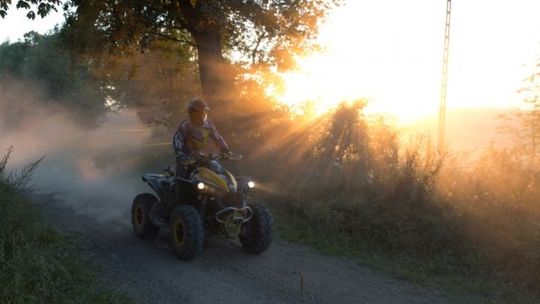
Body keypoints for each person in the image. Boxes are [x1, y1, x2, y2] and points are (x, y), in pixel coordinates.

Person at [172, 98, 230, 177]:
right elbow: (177, 140)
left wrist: (225, 150)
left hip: (203, 157)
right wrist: (180, 154)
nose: (202, 114)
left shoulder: (208, 125)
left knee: (218, 171)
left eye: (204, 112)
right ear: (192, 113)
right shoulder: (186, 125)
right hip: (187, 159)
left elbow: (218, 138)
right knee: (182, 179)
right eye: (200, 112)